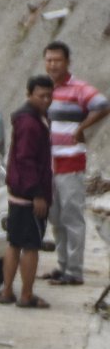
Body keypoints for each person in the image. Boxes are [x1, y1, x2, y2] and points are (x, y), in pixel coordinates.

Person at [44, 41, 110, 285]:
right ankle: (62, 265)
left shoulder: (79, 88)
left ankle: (74, 271)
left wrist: (82, 128)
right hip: (50, 164)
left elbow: (102, 105)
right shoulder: (46, 89)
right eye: (49, 60)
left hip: (71, 162)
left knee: (72, 217)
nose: (52, 64)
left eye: (57, 60)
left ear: (67, 62)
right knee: (55, 217)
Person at [0, 75, 54, 309]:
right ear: (29, 94)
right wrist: (38, 194)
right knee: (30, 245)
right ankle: (26, 295)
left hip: (17, 193)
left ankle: (7, 291)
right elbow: (26, 160)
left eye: (49, 96)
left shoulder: (31, 117)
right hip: (28, 195)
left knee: (13, 243)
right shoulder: (30, 123)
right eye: (41, 96)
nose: (46, 100)